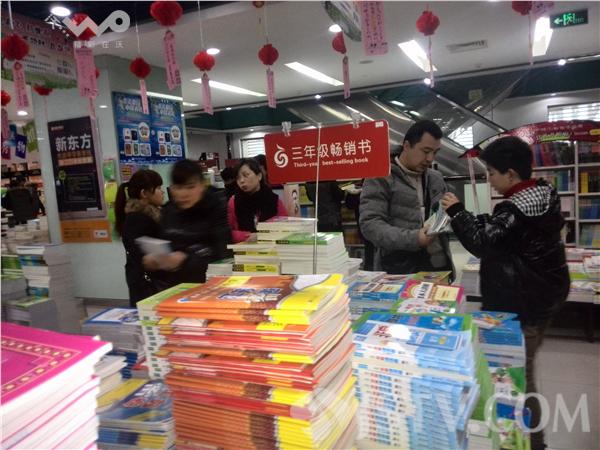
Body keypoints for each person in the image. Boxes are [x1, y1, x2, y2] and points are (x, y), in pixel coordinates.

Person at [441, 136, 570, 450]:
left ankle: (535, 443)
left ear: (510, 174)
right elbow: (503, 235)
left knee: (520, 378)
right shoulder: (538, 196)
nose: (489, 180)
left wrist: (457, 212)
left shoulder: (517, 208)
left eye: (492, 173)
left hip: (526, 307)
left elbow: (484, 243)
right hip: (539, 300)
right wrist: (478, 219)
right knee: (519, 374)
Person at [359, 120, 453, 275]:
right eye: (426, 151)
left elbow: (443, 216)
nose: (430, 159)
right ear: (407, 146)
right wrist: (415, 238)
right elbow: (370, 225)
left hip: (437, 265)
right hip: (398, 268)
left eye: (435, 153)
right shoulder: (380, 176)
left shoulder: (435, 178)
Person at [145, 160, 230, 286]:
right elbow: (165, 249)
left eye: (190, 187)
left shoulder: (215, 208)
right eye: (178, 187)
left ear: (202, 185)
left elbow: (223, 256)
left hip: (212, 285)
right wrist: (156, 262)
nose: (184, 194)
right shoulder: (168, 211)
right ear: (171, 188)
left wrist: (186, 258)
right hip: (176, 287)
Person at [114, 170, 164, 306]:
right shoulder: (138, 220)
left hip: (147, 282)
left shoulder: (149, 215)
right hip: (148, 286)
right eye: (158, 188)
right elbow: (143, 255)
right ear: (144, 193)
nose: (162, 192)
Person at [228, 158, 287, 243]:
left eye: (246, 175)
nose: (241, 181)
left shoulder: (273, 199)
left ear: (259, 176)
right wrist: (248, 236)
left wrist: (261, 235)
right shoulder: (233, 202)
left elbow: (285, 227)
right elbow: (227, 232)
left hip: (271, 247)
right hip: (244, 248)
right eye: (238, 178)